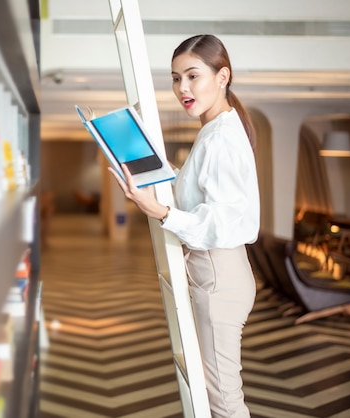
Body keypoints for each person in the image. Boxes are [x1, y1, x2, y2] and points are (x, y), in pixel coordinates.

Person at [109, 34, 260, 417]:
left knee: (224, 400)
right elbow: (205, 195)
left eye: (193, 76)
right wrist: (168, 174)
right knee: (215, 395)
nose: (183, 88)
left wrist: (158, 211)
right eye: (176, 78)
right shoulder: (214, 129)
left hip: (217, 274)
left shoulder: (222, 136)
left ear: (222, 76)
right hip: (215, 272)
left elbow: (220, 221)